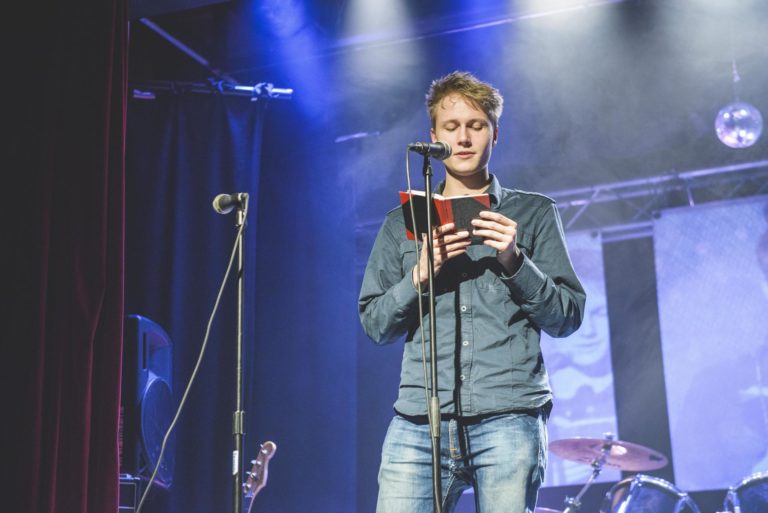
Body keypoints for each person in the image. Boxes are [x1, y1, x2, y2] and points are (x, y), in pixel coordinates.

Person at [358, 71, 586, 513]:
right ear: (434, 136)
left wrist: (515, 262)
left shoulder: (533, 212)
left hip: (508, 414)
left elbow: (567, 317)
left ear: (495, 134)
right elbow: (375, 324)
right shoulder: (398, 224)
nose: (463, 138)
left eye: (476, 126)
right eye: (452, 127)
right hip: (418, 421)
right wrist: (418, 277)